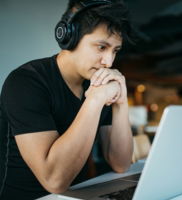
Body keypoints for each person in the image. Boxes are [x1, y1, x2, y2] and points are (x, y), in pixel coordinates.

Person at [0, 0, 135, 199]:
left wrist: (121, 102)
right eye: (101, 47)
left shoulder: (96, 82)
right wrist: (95, 100)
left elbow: (121, 163)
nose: (108, 61)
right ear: (69, 37)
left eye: (115, 50)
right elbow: (54, 181)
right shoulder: (25, 82)